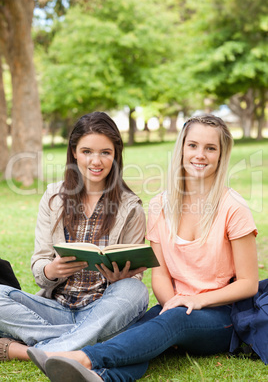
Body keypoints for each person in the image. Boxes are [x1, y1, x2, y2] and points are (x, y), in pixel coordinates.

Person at [27, 114, 259, 381]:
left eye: (211, 148)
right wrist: (171, 304)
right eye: (193, 145)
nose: (200, 155)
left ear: (221, 154)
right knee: (138, 337)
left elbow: (248, 283)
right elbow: (159, 274)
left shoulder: (233, 206)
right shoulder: (161, 204)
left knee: (173, 321)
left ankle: (83, 357)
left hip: (222, 314)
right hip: (173, 307)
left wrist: (193, 301)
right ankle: (100, 377)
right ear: (182, 148)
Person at [0, 111, 149, 362]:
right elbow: (39, 266)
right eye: (87, 151)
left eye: (106, 152)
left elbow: (134, 277)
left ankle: (49, 350)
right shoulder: (53, 197)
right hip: (55, 309)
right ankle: (81, 342)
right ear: (74, 153)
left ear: (116, 155)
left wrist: (118, 278)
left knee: (136, 291)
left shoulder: (131, 207)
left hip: (103, 308)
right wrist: (53, 269)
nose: (96, 160)